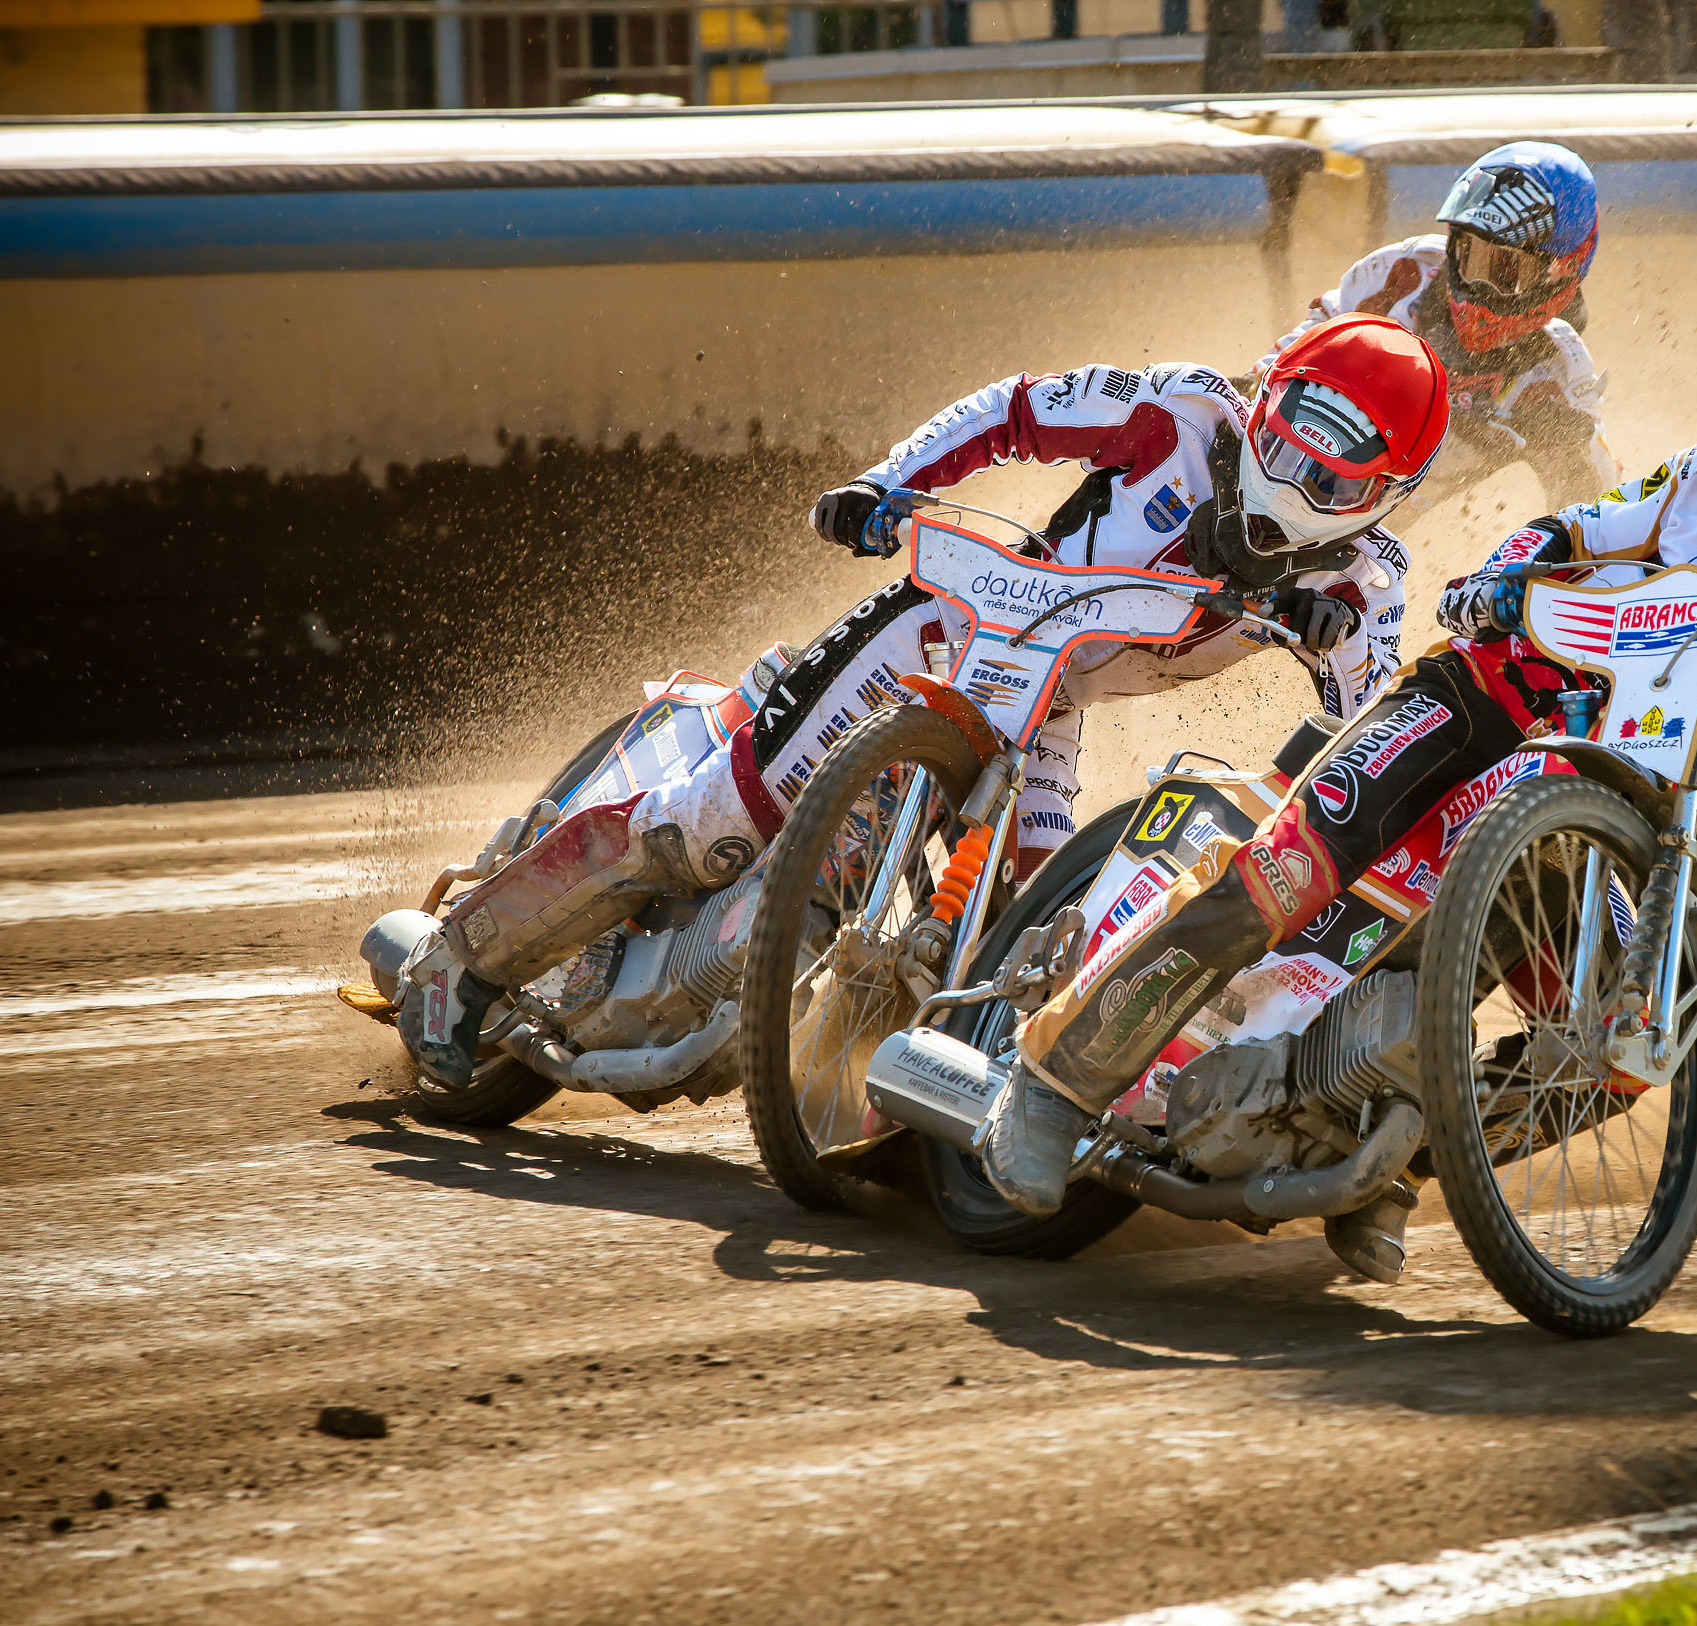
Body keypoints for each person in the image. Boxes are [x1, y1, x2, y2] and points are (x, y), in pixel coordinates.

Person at [985, 360, 1697, 1275]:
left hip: (1599, 807)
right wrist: (1498, 579)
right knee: (1288, 868)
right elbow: (1573, 530)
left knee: (1618, 1044)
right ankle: (1055, 1081)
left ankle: (1391, 1155)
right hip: (1481, 695)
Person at [394, 315, 1450, 1091]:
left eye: (1335, 485)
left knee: (1036, 933)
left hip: (1055, 705)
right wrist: (884, 481)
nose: (1292, 491)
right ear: (1265, 400)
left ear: (1389, 496)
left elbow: (1352, 766)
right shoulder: (1179, 408)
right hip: (957, 622)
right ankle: (463, 963)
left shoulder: (1368, 588)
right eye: (1285, 448)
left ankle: (919, 1093)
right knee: (714, 822)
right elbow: (1015, 410)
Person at [1250, 141, 1616, 517]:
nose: (1478, 289)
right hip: (1301, 476)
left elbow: (1594, 515)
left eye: (1508, 273)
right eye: (1470, 256)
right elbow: (1295, 353)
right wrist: (1256, 381)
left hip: (1389, 528)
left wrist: (1569, 447)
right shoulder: (1403, 274)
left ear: (1560, 275)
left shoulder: (1560, 368)